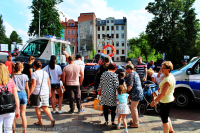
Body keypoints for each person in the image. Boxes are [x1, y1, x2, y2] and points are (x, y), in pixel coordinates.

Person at [150, 61, 175, 133]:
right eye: (161, 67)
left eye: (163, 68)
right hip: (169, 100)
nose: (161, 69)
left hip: (166, 101)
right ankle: (171, 130)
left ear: (168, 69)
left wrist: (154, 102)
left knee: (164, 120)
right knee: (166, 116)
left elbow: (163, 94)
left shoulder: (167, 79)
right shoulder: (170, 76)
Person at [29, 60, 55, 127]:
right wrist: (49, 91)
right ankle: (51, 119)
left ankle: (40, 121)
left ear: (34, 66)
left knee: (37, 108)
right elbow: (48, 83)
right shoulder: (45, 73)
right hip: (45, 92)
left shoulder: (34, 74)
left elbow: (33, 85)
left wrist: (29, 93)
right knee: (45, 107)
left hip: (37, 93)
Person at [0, 63, 20, 133]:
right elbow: (16, 97)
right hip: (10, 109)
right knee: (8, 130)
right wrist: (17, 109)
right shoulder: (11, 81)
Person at [11, 62, 29, 133]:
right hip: (23, 93)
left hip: (15, 94)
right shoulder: (25, 76)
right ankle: (24, 130)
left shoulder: (12, 76)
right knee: (23, 114)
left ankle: (14, 131)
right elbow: (27, 87)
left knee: (14, 114)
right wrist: (28, 96)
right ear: (20, 68)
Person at [126, 63, 143, 128]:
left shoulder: (131, 74)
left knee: (134, 108)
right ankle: (134, 120)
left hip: (135, 93)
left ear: (129, 69)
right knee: (134, 107)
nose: (126, 71)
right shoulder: (136, 73)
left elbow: (130, 86)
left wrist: (126, 92)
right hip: (139, 92)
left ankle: (135, 123)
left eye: (126, 69)